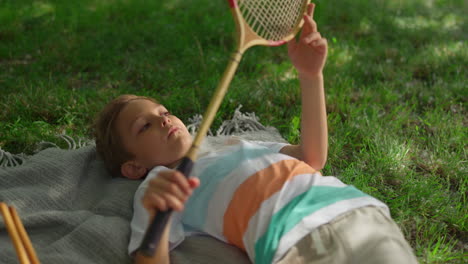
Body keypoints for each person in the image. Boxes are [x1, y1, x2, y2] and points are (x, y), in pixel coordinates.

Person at [93, 3, 418, 264]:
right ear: (133, 167)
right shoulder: (158, 186)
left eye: (163, 112)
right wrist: (153, 214)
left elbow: (312, 158)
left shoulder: (233, 145)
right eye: (144, 126)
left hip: (357, 213)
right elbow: (151, 258)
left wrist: (310, 75)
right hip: (292, 246)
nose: (163, 120)